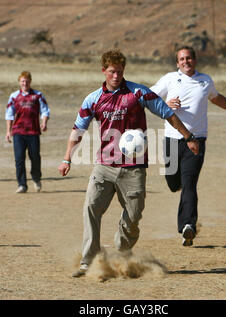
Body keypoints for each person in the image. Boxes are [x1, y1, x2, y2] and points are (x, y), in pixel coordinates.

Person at [58, 49, 199, 277]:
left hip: (133, 169)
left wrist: (188, 137)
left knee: (133, 217)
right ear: (103, 71)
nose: (116, 76)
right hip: (104, 166)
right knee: (91, 208)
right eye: (112, 72)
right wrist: (67, 158)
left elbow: (167, 114)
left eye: (120, 72)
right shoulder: (92, 99)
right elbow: (78, 130)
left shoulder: (139, 93)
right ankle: (89, 260)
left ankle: (122, 251)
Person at [150, 46, 226, 246]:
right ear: (177, 63)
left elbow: (218, 99)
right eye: (182, 59)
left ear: (195, 60)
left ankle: (188, 226)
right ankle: (180, 188)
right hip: (171, 139)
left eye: (189, 58)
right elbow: (148, 97)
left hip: (197, 140)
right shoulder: (169, 79)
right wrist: (166, 103)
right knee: (173, 182)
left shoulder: (205, 81)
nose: (186, 61)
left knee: (190, 184)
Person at [5, 71, 50, 193]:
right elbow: (9, 114)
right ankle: (22, 184)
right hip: (18, 131)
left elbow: (45, 111)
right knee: (19, 158)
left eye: (27, 81)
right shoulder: (14, 96)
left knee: (34, 157)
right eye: (22, 81)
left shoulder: (38, 95)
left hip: (33, 131)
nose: (25, 83)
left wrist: (44, 122)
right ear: (19, 82)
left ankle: (36, 178)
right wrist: (8, 131)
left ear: (30, 81)